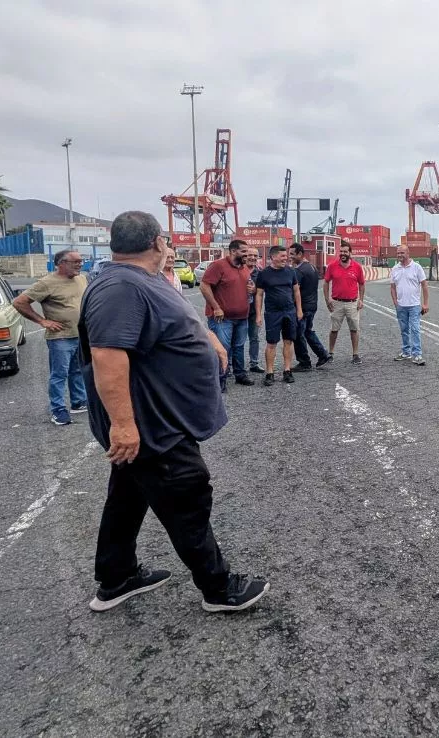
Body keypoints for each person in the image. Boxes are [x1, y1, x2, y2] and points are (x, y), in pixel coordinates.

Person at [79, 210, 268, 614]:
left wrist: (209, 342)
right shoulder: (120, 287)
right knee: (187, 496)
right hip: (152, 425)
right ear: (157, 242)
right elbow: (107, 356)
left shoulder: (141, 280)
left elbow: (173, 321)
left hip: (155, 420)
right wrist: (125, 426)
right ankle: (219, 588)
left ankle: (117, 577)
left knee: (128, 498)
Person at [13, 249, 89, 426]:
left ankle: (78, 402)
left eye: (81, 261)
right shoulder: (46, 283)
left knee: (77, 371)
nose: (80, 264)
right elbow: (19, 302)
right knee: (59, 374)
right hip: (60, 337)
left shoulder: (82, 278)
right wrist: (42, 321)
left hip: (80, 334)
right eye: (75, 261)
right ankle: (58, 409)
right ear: (61, 263)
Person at [200, 240, 256, 387]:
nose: (247, 254)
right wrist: (216, 307)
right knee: (222, 348)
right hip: (222, 318)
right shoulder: (219, 266)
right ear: (233, 251)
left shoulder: (244, 268)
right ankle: (220, 379)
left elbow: (245, 286)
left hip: (242, 317)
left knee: (239, 346)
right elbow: (204, 286)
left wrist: (252, 290)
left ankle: (240, 374)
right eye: (243, 251)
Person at [254, 245, 304, 386]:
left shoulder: (290, 272)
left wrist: (299, 310)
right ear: (273, 257)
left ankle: (287, 370)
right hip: (272, 313)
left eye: (286, 255)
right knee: (271, 343)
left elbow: (296, 291)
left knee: (288, 341)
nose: (286, 258)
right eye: (282, 256)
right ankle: (269, 373)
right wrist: (258, 315)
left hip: (289, 311)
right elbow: (259, 294)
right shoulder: (264, 274)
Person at [289, 242, 331, 371]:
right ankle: (322, 354)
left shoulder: (299, 271)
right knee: (307, 331)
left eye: (292, 254)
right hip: (312, 305)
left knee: (298, 334)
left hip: (303, 307)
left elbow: (296, 291)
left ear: (300, 254)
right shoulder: (312, 267)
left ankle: (304, 362)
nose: (290, 257)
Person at [323, 241, 366, 364]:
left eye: (345, 251)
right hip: (336, 303)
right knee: (334, 329)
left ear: (350, 253)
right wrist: (327, 300)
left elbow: (362, 284)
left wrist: (361, 300)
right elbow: (326, 283)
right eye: (341, 251)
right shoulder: (332, 266)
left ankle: (355, 354)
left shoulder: (357, 267)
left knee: (354, 329)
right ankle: (330, 353)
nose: (343, 253)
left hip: (353, 303)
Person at [389, 245, 430, 366]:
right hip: (401, 306)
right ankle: (406, 351)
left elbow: (424, 285)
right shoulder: (395, 269)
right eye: (397, 253)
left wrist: (425, 303)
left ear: (408, 253)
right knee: (404, 330)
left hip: (414, 305)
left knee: (415, 329)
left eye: (402, 252)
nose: (399, 255)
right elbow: (392, 287)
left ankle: (417, 354)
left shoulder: (416, 267)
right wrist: (396, 303)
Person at [244, 246, 264, 374]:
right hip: (238, 311)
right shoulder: (238, 270)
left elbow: (260, 294)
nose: (252, 258)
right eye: (250, 255)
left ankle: (254, 363)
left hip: (253, 311)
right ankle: (231, 365)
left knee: (255, 338)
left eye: (255, 256)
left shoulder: (260, 274)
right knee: (237, 340)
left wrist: (259, 314)